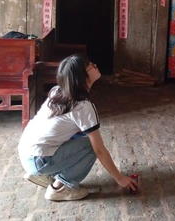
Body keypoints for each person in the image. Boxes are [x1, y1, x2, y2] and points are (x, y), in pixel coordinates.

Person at [18, 54, 137, 201]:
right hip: (38, 159)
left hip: (26, 152)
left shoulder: (57, 91)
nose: (94, 65)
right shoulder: (83, 106)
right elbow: (99, 150)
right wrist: (120, 179)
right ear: (82, 76)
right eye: (90, 65)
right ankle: (61, 188)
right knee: (90, 146)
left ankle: (45, 173)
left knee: (80, 135)